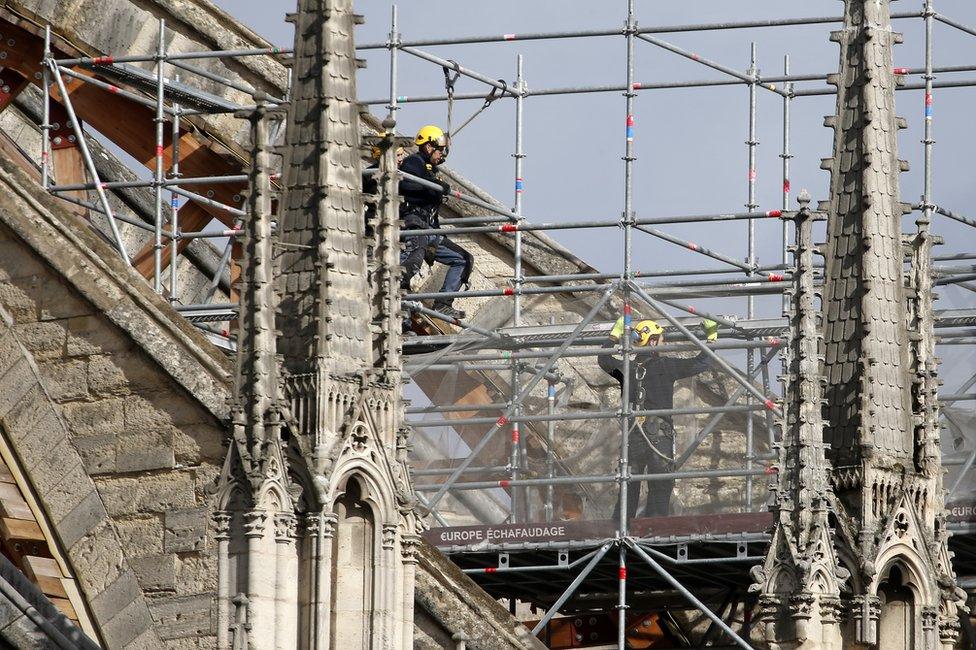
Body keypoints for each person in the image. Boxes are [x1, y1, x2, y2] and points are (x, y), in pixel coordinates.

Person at [598, 317, 719, 520]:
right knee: (660, 486)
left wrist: (614, 334)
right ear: (652, 342)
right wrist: (712, 338)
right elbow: (701, 363)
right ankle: (654, 532)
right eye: (661, 339)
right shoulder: (666, 366)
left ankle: (620, 531)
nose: (663, 343)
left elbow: (603, 359)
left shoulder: (627, 369)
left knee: (628, 486)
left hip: (633, 436)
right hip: (659, 437)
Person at [399, 125, 473, 322]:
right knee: (411, 260)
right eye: (440, 150)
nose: (442, 155)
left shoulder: (431, 170)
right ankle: (400, 308)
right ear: (429, 146)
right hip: (413, 223)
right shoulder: (413, 162)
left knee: (463, 259)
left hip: (429, 227)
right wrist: (435, 187)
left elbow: (433, 211)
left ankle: (443, 304)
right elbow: (404, 184)